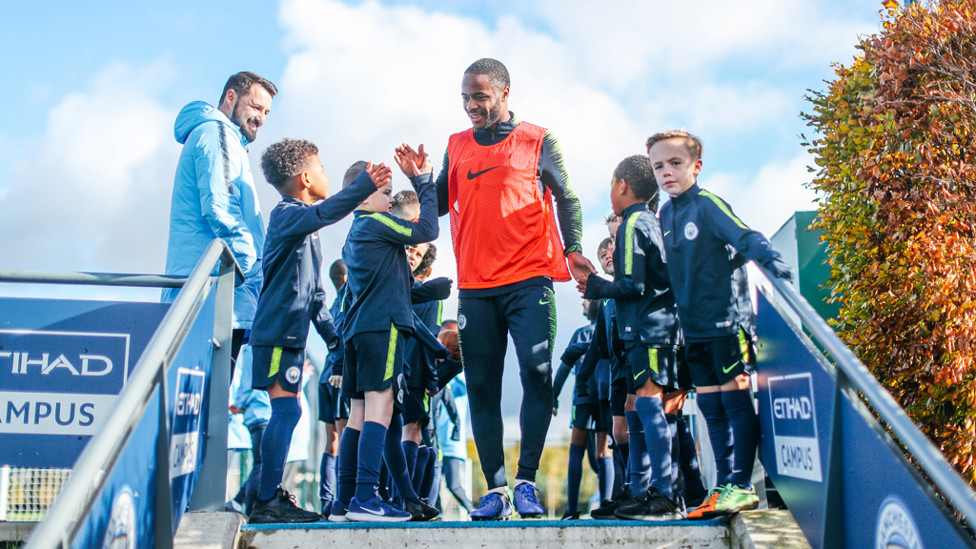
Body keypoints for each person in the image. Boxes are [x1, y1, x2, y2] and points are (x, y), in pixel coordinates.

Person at [398, 57, 595, 521]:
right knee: (482, 385)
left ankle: (526, 482)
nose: (471, 106)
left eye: (480, 97)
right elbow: (440, 209)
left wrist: (575, 249)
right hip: (476, 286)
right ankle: (496, 491)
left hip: (529, 279)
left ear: (505, 93)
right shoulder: (457, 145)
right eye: (465, 98)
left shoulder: (539, 139)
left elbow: (566, 195)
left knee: (537, 374)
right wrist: (421, 180)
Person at [647, 130, 792, 519]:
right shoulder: (665, 213)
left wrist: (772, 261)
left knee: (735, 401)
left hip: (727, 323)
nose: (666, 173)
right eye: (658, 166)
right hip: (693, 328)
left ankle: (742, 486)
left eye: (675, 163)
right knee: (710, 405)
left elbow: (743, 236)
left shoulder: (707, 204)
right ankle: (724, 484)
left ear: (696, 166)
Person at [246, 139, 389, 524]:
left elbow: (316, 296)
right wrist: (361, 187)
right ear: (306, 178)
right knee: (287, 410)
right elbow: (324, 213)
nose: (328, 174)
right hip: (275, 334)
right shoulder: (287, 215)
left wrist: (334, 340)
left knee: (288, 411)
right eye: (323, 168)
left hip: (291, 336)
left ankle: (258, 494)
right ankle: (265, 500)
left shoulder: (305, 228)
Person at [333, 146, 439, 523]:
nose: (392, 201)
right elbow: (427, 229)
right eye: (385, 193)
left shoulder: (353, 235)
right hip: (383, 329)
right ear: (363, 196)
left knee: (358, 415)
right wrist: (424, 181)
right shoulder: (377, 223)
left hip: (358, 333)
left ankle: (344, 501)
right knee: (381, 408)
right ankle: (366, 497)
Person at [580, 155, 684, 520]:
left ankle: (664, 494)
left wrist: (595, 284)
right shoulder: (650, 221)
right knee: (637, 405)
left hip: (650, 330)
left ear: (622, 185)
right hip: (647, 330)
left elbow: (632, 284)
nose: (610, 192)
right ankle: (638, 490)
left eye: (611, 184)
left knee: (650, 405)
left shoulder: (632, 225)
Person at [163, 71, 278, 376]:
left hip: (216, 294)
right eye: (255, 107)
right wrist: (252, 269)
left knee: (202, 406)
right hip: (215, 296)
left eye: (266, 112)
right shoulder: (217, 134)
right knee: (203, 405)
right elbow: (220, 206)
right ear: (231, 97)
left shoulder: (228, 141)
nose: (261, 118)